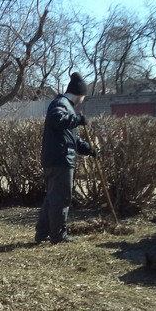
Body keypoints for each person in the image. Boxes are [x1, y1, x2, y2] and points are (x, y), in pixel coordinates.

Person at [35, 72, 100, 244]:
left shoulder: (65, 106)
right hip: (60, 160)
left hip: (57, 158)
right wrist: (78, 119)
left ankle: (42, 233)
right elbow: (57, 120)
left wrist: (88, 149)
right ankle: (58, 236)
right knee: (60, 198)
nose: (83, 99)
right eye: (83, 96)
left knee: (52, 198)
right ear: (79, 94)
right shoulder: (60, 104)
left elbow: (71, 138)